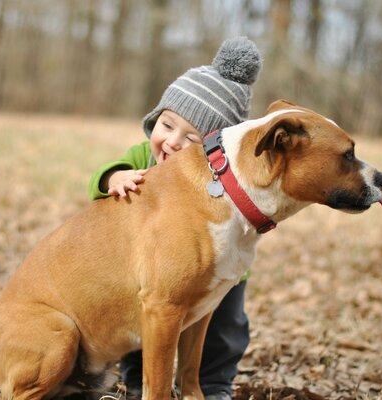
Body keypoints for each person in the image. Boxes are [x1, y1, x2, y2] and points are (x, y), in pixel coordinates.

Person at [88, 37, 262, 400]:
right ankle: (140, 380)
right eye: (167, 126)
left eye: (191, 138)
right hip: (149, 269)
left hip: (217, 268)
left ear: (214, 150)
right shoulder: (143, 159)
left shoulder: (219, 179)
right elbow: (99, 182)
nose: (172, 142)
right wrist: (114, 177)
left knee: (224, 329)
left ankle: (213, 385)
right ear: (155, 121)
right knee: (146, 317)